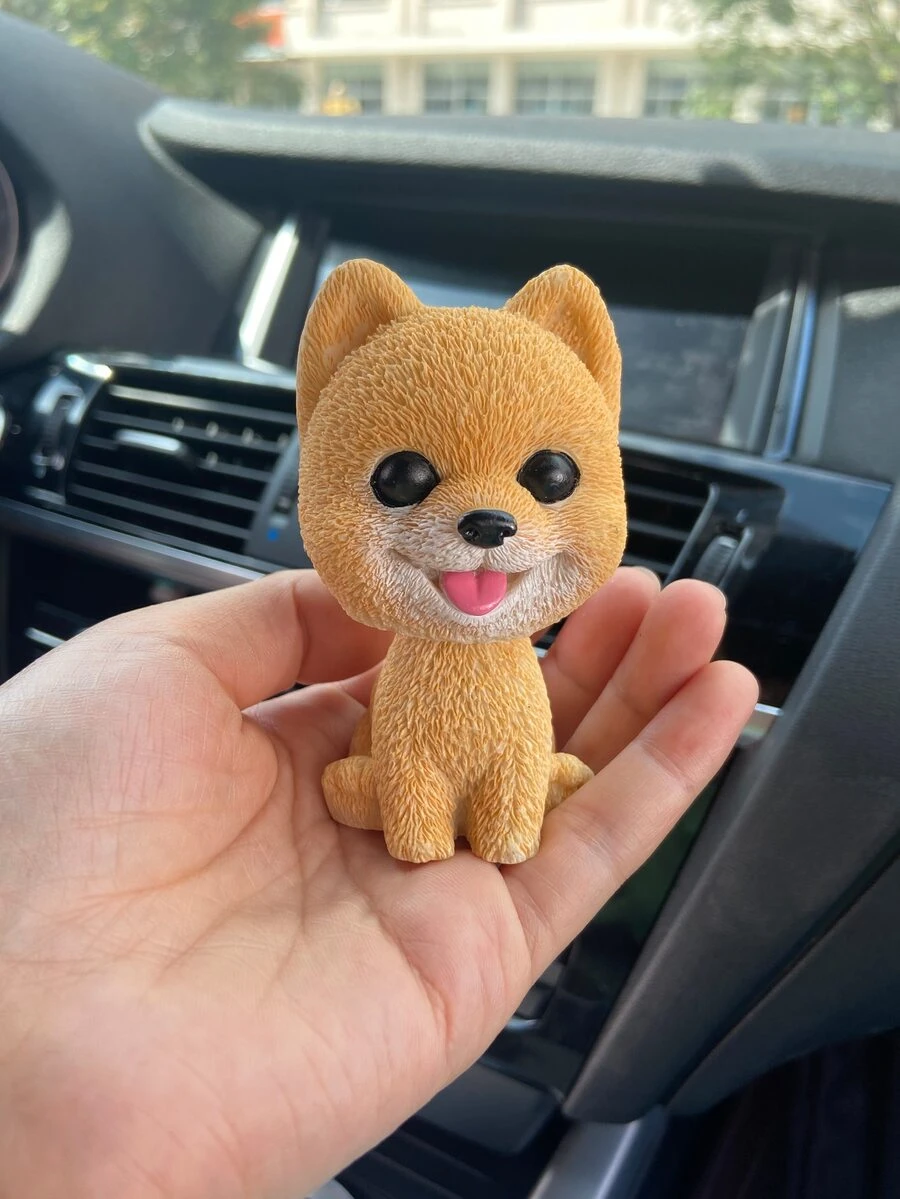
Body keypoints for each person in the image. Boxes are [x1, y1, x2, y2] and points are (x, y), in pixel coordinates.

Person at [0, 566, 756, 1198]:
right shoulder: (408, 651)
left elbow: (522, 740)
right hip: (392, 792)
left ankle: (503, 814)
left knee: (518, 773)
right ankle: (442, 819)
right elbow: (402, 743)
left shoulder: (510, 654)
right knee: (408, 773)